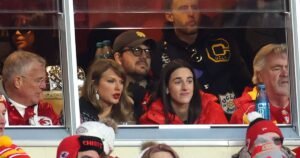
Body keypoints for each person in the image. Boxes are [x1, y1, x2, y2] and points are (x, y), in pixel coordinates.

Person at [151, 0, 252, 119]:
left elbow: (245, 84)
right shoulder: (160, 52)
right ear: (169, 16)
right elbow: (160, 96)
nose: (191, 13)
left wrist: (245, 113)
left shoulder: (223, 42)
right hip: (189, 124)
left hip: (231, 121)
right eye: (184, 8)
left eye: (194, 8)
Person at [139, 59, 228, 124]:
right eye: (178, 82)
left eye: (189, 81)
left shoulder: (212, 110)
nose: (185, 87)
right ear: (166, 88)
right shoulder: (151, 119)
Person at [230, 43, 290, 124]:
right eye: (277, 68)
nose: (285, 73)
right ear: (260, 75)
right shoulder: (246, 114)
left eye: (288, 67)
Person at [0, 50, 60, 125]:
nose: (44, 86)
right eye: (39, 80)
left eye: (44, 80)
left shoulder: (45, 110)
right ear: (18, 82)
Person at [113, 30, 156, 122]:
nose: (144, 56)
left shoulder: (159, 90)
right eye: (137, 50)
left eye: (147, 51)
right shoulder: (110, 92)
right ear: (118, 58)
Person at [80, 59, 135, 124]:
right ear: (95, 85)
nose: (118, 88)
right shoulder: (79, 112)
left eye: (121, 82)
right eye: (111, 81)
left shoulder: (127, 113)